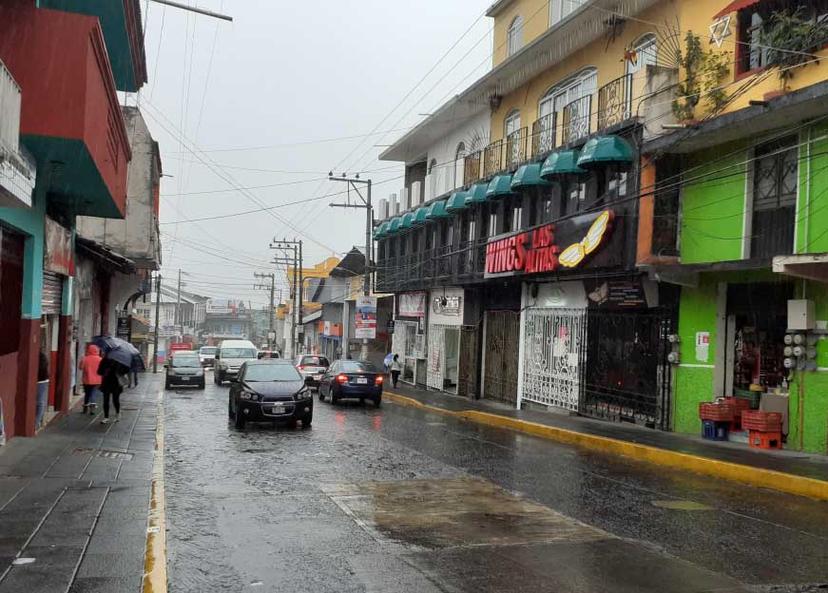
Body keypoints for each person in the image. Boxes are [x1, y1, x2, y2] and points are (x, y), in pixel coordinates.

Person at [97, 357, 127, 424]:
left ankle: (117, 413)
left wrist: (119, 370)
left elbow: (125, 370)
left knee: (115, 399)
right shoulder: (105, 359)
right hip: (106, 382)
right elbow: (99, 371)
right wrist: (106, 370)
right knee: (105, 400)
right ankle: (106, 417)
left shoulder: (120, 360)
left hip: (116, 383)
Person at [79, 344, 103, 415]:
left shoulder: (85, 358)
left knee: (87, 393)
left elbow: (80, 367)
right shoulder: (100, 359)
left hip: (87, 380)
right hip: (97, 380)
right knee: (93, 393)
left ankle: (85, 409)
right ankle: (92, 409)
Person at [35, 349, 49, 429]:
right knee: (39, 401)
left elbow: (42, 367)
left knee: (39, 402)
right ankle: (37, 421)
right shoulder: (42, 356)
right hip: (41, 380)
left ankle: (36, 422)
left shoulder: (41, 357)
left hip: (41, 380)